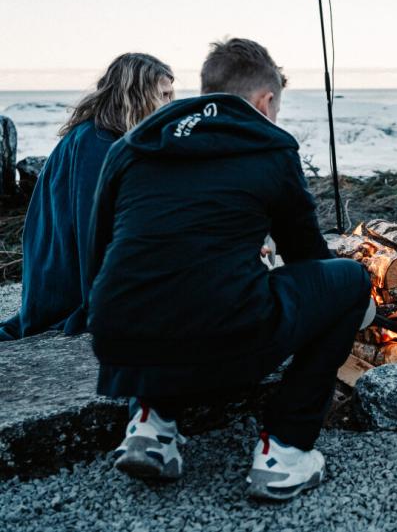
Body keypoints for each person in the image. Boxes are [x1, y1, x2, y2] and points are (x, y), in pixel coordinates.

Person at [85, 38, 375, 500]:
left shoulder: (135, 142)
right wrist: (360, 306)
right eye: (276, 107)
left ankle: (151, 424)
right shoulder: (270, 146)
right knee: (351, 281)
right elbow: (307, 258)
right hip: (224, 334)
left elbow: (102, 248)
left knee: (168, 283)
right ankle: (285, 450)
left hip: (118, 335)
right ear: (265, 100)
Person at [0, 54, 174, 341]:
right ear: (137, 95)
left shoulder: (110, 138)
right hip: (67, 281)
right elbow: (93, 235)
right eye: (164, 95)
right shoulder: (95, 143)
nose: (170, 105)